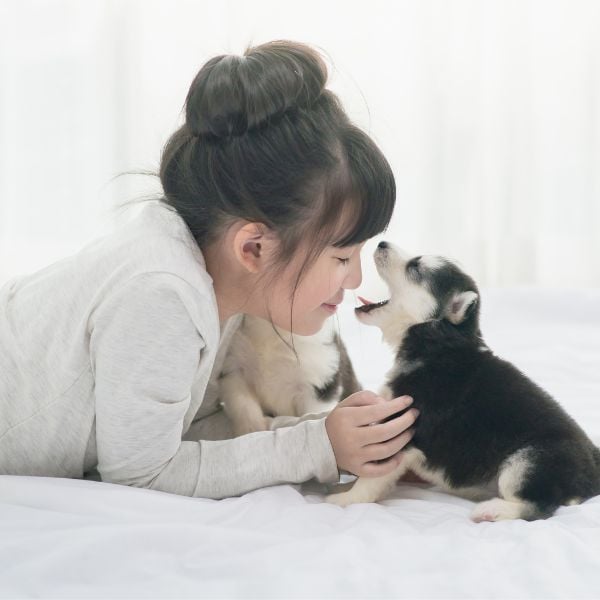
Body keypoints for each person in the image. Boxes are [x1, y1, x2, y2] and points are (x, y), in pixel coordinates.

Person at [0, 40, 419, 500]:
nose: (357, 279)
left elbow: (180, 431)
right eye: (342, 258)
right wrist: (314, 446)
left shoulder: (216, 283)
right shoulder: (162, 294)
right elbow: (142, 473)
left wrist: (343, 440)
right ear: (254, 248)